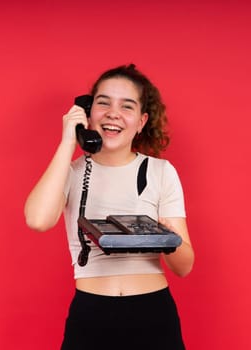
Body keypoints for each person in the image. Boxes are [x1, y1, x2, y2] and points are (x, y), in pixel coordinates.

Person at [24, 64, 194, 349]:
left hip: (153, 315)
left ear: (141, 122)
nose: (113, 113)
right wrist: (69, 139)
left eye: (126, 106)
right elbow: (38, 220)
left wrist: (163, 238)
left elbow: (184, 266)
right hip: (91, 315)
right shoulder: (71, 172)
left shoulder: (160, 172)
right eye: (103, 103)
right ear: (88, 112)